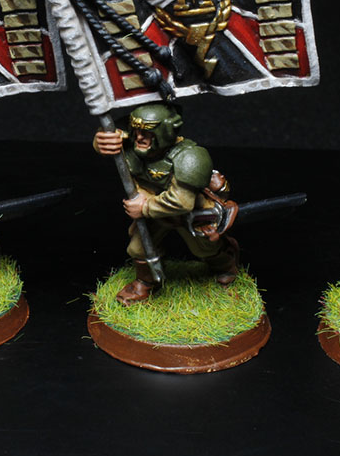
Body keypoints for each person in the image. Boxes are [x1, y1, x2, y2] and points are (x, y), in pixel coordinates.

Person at [94, 102, 239, 305]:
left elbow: (182, 202)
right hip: (153, 212)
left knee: (205, 248)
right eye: (136, 131)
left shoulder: (190, 156)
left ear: (166, 131)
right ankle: (146, 282)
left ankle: (226, 267)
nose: (139, 137)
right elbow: (109, 135)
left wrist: (144, 207)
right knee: (139, 248)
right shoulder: (132, 144)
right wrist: (102, 140)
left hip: (189, 214)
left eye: (147, 132)